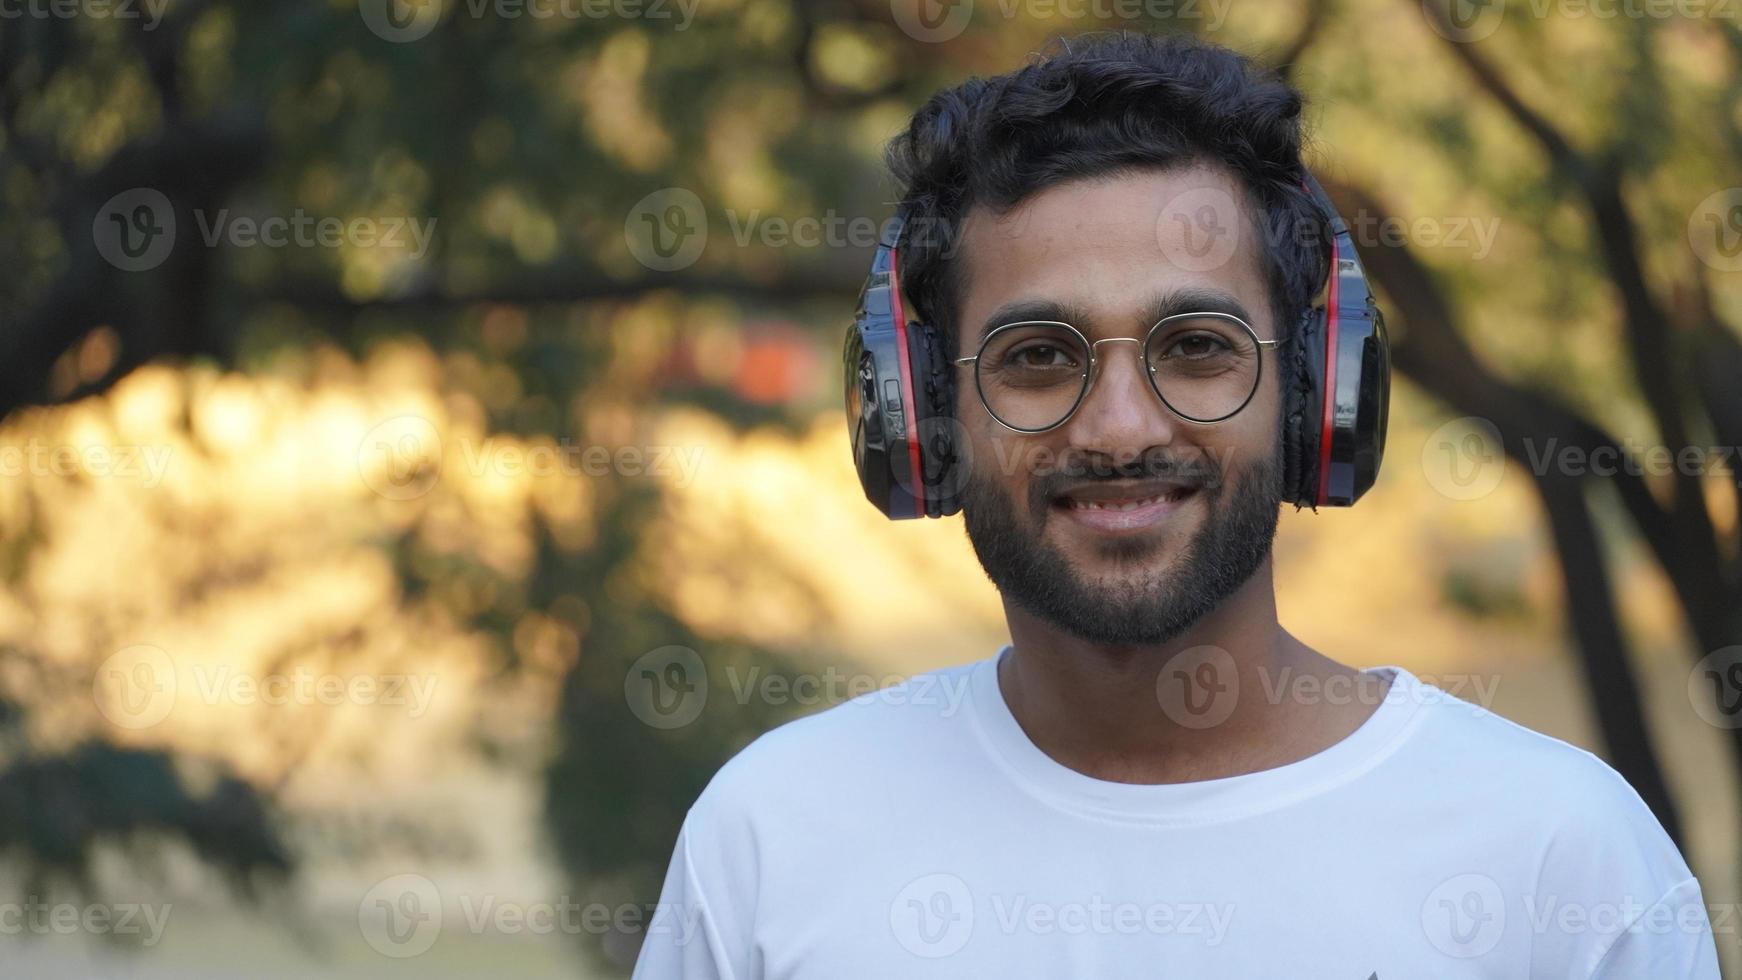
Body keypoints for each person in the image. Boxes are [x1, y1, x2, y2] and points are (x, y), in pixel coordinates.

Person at [632, 30, 1719, 979]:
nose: (1116, 428)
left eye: (1195, 348)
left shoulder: (1558, 857)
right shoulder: (770, 839)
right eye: (1035, 355)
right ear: (921, 413)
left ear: (1312, 394)